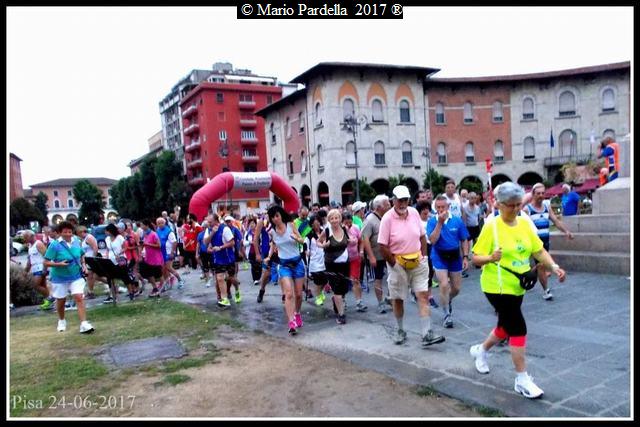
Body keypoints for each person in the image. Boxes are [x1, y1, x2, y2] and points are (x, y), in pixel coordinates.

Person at [470, 181, 566, 399]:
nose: (515, 209)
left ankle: (481, 351)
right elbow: (475, 258)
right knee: (518, 327)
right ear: (499, 204)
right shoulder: (491, 226)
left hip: (519, 285)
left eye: (518, 205)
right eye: (511, 205)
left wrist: (554, 266)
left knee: (505, 326)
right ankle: (522, 380)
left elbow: (538, 250)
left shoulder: (524, 223)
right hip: (496, 286)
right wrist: (490, 257)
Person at [378, 185, 445, 347]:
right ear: (393, 200)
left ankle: (426, 333)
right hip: (397, 263)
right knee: (398, 299)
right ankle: (400, 330)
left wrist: (424, 257)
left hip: (417, 261)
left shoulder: (414, 212)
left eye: (405, 200)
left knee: (423, 295)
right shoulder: (387, 218)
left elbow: (422, 236)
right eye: (399, 200)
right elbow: (382, 246)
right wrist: (394, 265)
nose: (402, 203)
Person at [522, 183, 574, 300]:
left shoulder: (546, 207)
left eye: (543, 193)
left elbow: (555, 221)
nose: (541, 195)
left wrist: (566, 231)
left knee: (541, 266)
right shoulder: (527, 210)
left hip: (545, 242)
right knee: (541, 265)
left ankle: (529, 277)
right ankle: (546, 290)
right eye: (538, 193)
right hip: (533, 244)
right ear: (533, 194)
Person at [43, 221, 94, 334]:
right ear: (60, 233)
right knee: (61, 300)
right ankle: (61, 320)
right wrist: (59, 264)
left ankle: (84, 324)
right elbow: (46, 262)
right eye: (65, 232)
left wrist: (84, 265)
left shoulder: (76, 241)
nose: (68, 234)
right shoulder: (54, 245)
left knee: (79, 297)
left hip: (76, 275)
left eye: (70, 232)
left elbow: (81, 254)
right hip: (59, 277)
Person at [427, 195, 470, 328]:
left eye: (443, 207)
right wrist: (440, 223)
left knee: (456, 288)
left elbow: (464, 239)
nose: (441, 210)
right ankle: (446, 314)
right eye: (438, 207)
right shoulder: (432, 222)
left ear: (448, 207)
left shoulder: (456, 220)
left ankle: (447, 299)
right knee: (444, 284)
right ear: (435, 208)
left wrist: (465, 257)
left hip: (454, 255)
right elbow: (432, 240)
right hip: (439, 255)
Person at [266, 205, 306, 334]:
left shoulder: (291, 225)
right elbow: (273, 245)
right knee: (288, 294)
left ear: (281, 215)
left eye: (277, 216)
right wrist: (269, 256)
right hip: (284, 265)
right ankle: (291, 322)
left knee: (298, 295)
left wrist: (296, 238)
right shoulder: (272, 232)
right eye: (272, 217)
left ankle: (297, 313)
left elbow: (302, 241)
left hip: (297, 263)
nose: (275, 219)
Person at [317, 209, 352, 325]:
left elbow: (349, 240)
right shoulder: (327, 231)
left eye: (336, 218)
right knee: (337, 289)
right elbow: (318, 242)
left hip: (345, 263)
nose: (334, 220)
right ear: (329, 220)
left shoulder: (344, 229)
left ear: (340, 219)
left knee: (344, 289)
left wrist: (352, 241)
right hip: (331, 264)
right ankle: (341, 314)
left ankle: (336, 301)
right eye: (331, 218)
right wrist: (323, 245)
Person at [361, 194, 393, 314]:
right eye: (387, 204)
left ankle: (389, 297)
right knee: (378, 279)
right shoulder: (369, 220)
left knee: (393, 277)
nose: (389, 206)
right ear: (379, 207)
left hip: (389, 254)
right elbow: (365, 238)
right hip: (377, 255)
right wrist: (371, 256)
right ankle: (380, 303)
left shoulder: (388, 217)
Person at [203, 214, 237, 307]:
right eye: (208, 222)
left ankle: (237, 290)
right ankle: (224, 299)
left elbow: (232, 242)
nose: (209, 224)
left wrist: (220, 247)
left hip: (228, 257)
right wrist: (212, 233)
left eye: (210, 222)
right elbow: (205, 242)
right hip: (218, 258)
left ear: (216, 221)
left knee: (231, 278)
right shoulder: (209, 230)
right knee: (220, 278)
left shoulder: (225, 229)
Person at [104, 223, 138, 302]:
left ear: (110, 231)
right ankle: (113, 295)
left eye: (106, 231)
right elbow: (107, 249)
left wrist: (119, 253)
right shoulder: (107, 239)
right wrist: (106, 256)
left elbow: (125, 247)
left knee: (124, 276)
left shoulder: (119, 237)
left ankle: (131, 292)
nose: (105, 232)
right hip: (111, 260)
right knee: (109, 277)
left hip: (120, 259)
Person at [23, 230, 55, 309]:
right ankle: (48, 302)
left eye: (26, 237)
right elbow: (29, 260)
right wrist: (26, 271)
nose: (24, 239)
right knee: (43, 285)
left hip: (40, 267)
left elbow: (47, 256)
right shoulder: (30, 246)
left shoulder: (38, 244)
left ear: (31, 236)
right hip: (35, 268)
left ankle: (50, 298)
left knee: (35, 285)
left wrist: (46, 268)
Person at [343, 212, 367, 312]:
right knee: (343, 281)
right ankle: (342, 301)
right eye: (346, 223)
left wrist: (361, 251)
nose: (349, 224)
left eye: (350, 223)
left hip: (355, 257)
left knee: (355, 280)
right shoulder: (340, 229)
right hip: (343, 259)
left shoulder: (356, 228)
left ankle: (359, 302)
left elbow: (361, 241)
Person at [156, 217, 185, 290]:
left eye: (162, 223)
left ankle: (180, 280)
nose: (160, 224)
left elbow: (174, 242)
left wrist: (172, 252)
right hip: (161, 253)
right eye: (158, 223)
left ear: (165, 223)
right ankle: (167, 283)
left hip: (168, 252)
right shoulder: (157, 231)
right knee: (163, 269)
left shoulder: (169, 231)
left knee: (169, 268)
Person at [306, 215, 328, 307]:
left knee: (325, 280)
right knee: (318, 281)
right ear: (311, 225)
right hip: (314, 261)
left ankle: (320, 292)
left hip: (324, 259)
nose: (317, 225)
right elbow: (305, 246)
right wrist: (307, 252)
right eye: (314, 224)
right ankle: (318, 297)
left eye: (318, 223)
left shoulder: (325, 232)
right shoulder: (309, 235)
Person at [139, 219, 164, 297]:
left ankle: (162, 287)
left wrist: (147, 244)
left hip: (156, 258)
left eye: (142, 225)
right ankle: (155, 288)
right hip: (148, 258)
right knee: (149, 274)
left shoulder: (153, 234)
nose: (141, 227)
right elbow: (143, 244)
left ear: (147, 225)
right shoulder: (144, 234)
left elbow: (159, 245)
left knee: (158, 274)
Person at [76, 226, 101, 299]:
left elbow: (95, 248)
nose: (78, 235)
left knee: (92, 275)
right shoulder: (84, 239)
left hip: (92, 259)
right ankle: (90, 292)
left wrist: (93, 258)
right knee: (92, 276)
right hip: (88, 259)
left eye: (78, 234)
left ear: (81, 232)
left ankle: (90, 292)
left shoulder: (89, 237)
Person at [224, 215, 244, 303]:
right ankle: (228, 291)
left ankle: (236, 291)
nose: (228, 223)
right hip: (223, 256)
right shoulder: (223, 230)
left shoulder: (235, 229)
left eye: (229, 221)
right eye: (226, 221)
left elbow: (240, 239)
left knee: (231, 276)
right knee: (227, 277)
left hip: (233, 253)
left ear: (232, 222)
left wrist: (239, 250)